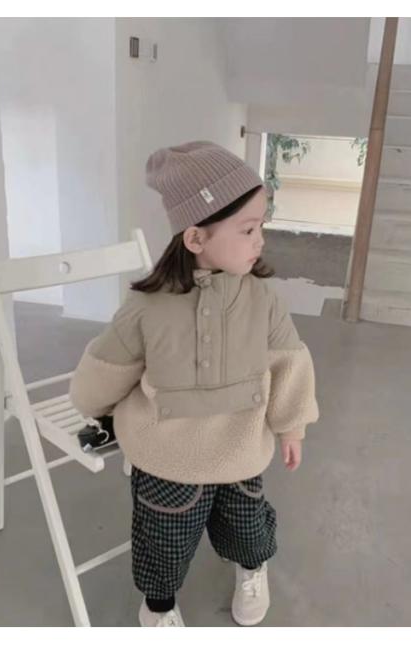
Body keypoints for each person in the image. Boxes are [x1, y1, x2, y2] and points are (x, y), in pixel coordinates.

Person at [69, 140, 320, 627]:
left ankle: (252, 567)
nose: (260, 240)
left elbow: (289, 363)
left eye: (260, 227)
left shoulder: (263, 300)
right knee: (163, 542)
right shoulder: (147, 308)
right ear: (196, 238)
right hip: (168, 457)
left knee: (246, 528)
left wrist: (292, 426)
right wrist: (91, 405)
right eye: (248, 229)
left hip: (240, 448)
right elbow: (107, 367)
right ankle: (159, 605)